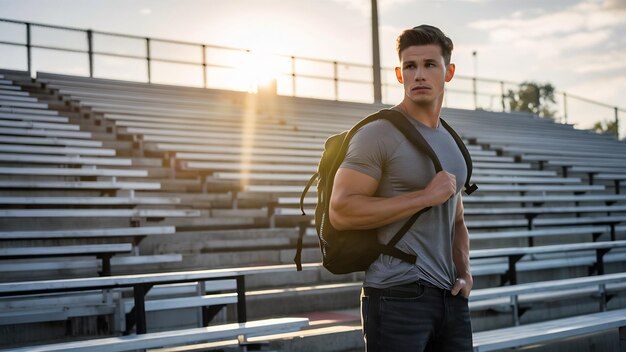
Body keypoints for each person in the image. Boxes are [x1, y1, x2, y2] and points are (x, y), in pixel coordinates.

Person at [328, 25, 473, 351]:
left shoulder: (452, 143)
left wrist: (465, 273)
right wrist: (423, 197)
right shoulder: (377, 134)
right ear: (399, 74)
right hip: (395, 296)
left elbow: (457, 221)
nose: (419, 74)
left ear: (448, 72)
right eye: (410, 66)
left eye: (429, 65)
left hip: (450, 298)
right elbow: (341, 210)